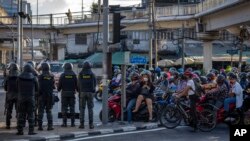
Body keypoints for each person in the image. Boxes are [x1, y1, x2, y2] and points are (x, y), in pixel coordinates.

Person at [16, 64, 39, 135]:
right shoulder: (34, 78)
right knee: (31, 114)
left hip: (21, 98)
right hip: (30, 98)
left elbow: (17, 88)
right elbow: (37, 89)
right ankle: (31, 131)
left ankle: (20, 131)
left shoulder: (19, 78)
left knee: (21, 114)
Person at [58, 63, 78, 127]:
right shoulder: (74, 75)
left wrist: (58, 89)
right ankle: (72, 123)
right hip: (72, 94)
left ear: (65, 67)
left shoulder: (62, 75)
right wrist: (77, 90)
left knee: (64, 108)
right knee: (72, 108)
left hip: (64, 94)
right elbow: (77, 85)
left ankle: (64, 123)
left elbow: (59, 86)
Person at [78, 61, 96, 129]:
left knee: (82, 109)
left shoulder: (80, 73)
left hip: (82, 92)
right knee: (90, 108)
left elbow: (78, 84)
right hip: (90, 93)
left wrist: (79, 92)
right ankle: (91, 124)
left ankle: (82, 124)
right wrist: (93, 91)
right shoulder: (92, 74)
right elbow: (95, 83)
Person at [37, 62, 56, 131]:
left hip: (42, 96)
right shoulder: (52, 76)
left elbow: (39, 87)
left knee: (40, 111)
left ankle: (40, 126)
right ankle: (50, 126)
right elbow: (54, 87)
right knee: (49, 111)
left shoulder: (40, 76)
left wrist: (38, 94)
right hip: (49, 96)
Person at [4, 63, 20, 129]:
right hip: (18, 96)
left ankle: (8, 125)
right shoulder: (19, 77)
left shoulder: (8, 77)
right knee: (18, 111)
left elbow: (5, 88)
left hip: (9, 96)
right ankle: (19, 124)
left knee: (8, 111)